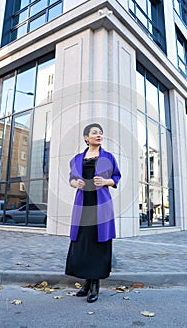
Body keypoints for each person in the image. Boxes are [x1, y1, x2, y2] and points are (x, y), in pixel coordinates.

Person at [65, 123, 121, 303]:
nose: (99, 135)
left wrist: (105, 181)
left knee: (98, 242)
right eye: (95, 133)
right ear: (86, 138)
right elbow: (71, 179)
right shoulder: (76, 159)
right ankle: (86, 283)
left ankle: (95, 285)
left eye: (101, 133)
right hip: (83, 206)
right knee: (83, 242)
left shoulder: (108, 157)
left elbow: (116, 178)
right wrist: (76, 184)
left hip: (101, 205)